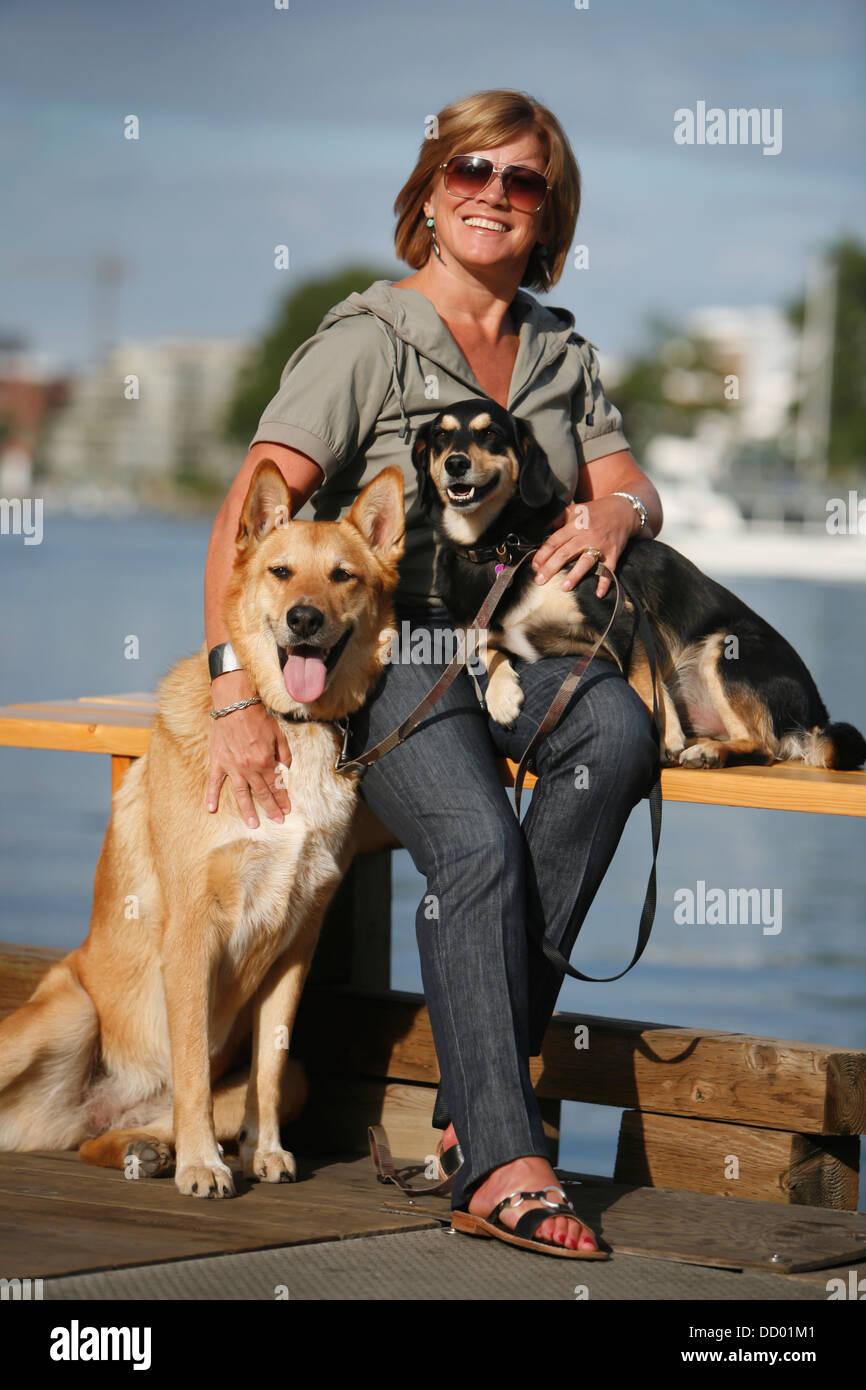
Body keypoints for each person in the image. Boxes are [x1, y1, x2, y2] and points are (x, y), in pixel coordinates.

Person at [203, 88, 662, 1258]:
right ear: (429, 189)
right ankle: (500, 1161)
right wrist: (231, 689)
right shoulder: (367, 340)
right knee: (474, 847)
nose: (492, 195)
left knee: (614, 738)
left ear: (547, 210)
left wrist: (615, 516)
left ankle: (471, 1107)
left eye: (521, 181)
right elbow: (247, 511)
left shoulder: (557, 350)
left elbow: (628, 483)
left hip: (523, 645)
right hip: (388, 653)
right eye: (471, 170)